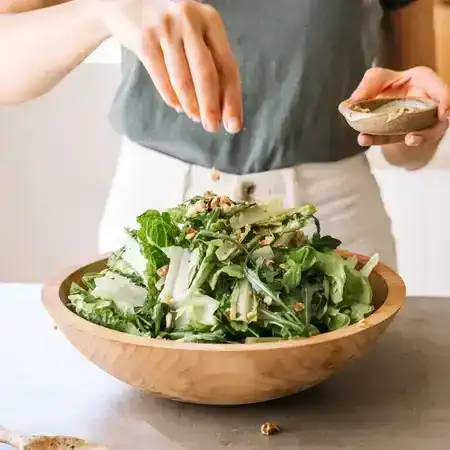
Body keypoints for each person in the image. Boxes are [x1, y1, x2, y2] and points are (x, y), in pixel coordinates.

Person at [1, 0, 449, 269]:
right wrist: (103, 8)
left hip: (333, 225)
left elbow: (407, 155)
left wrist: (417, 123)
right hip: (157, 218)